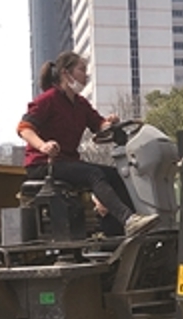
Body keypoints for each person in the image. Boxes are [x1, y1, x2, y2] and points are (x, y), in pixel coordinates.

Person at [17, 51, 158, 237]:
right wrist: (43, 146)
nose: (86, 75)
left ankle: (118, 232)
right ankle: (128, 220)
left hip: (68, 163)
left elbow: (98, 125)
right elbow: (24, 128)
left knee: (116, 175)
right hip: (43, 164)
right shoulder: (48, 100)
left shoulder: (80, 104)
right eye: (81, 70)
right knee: (93, 174)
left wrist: (110, 123)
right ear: (66, 73)